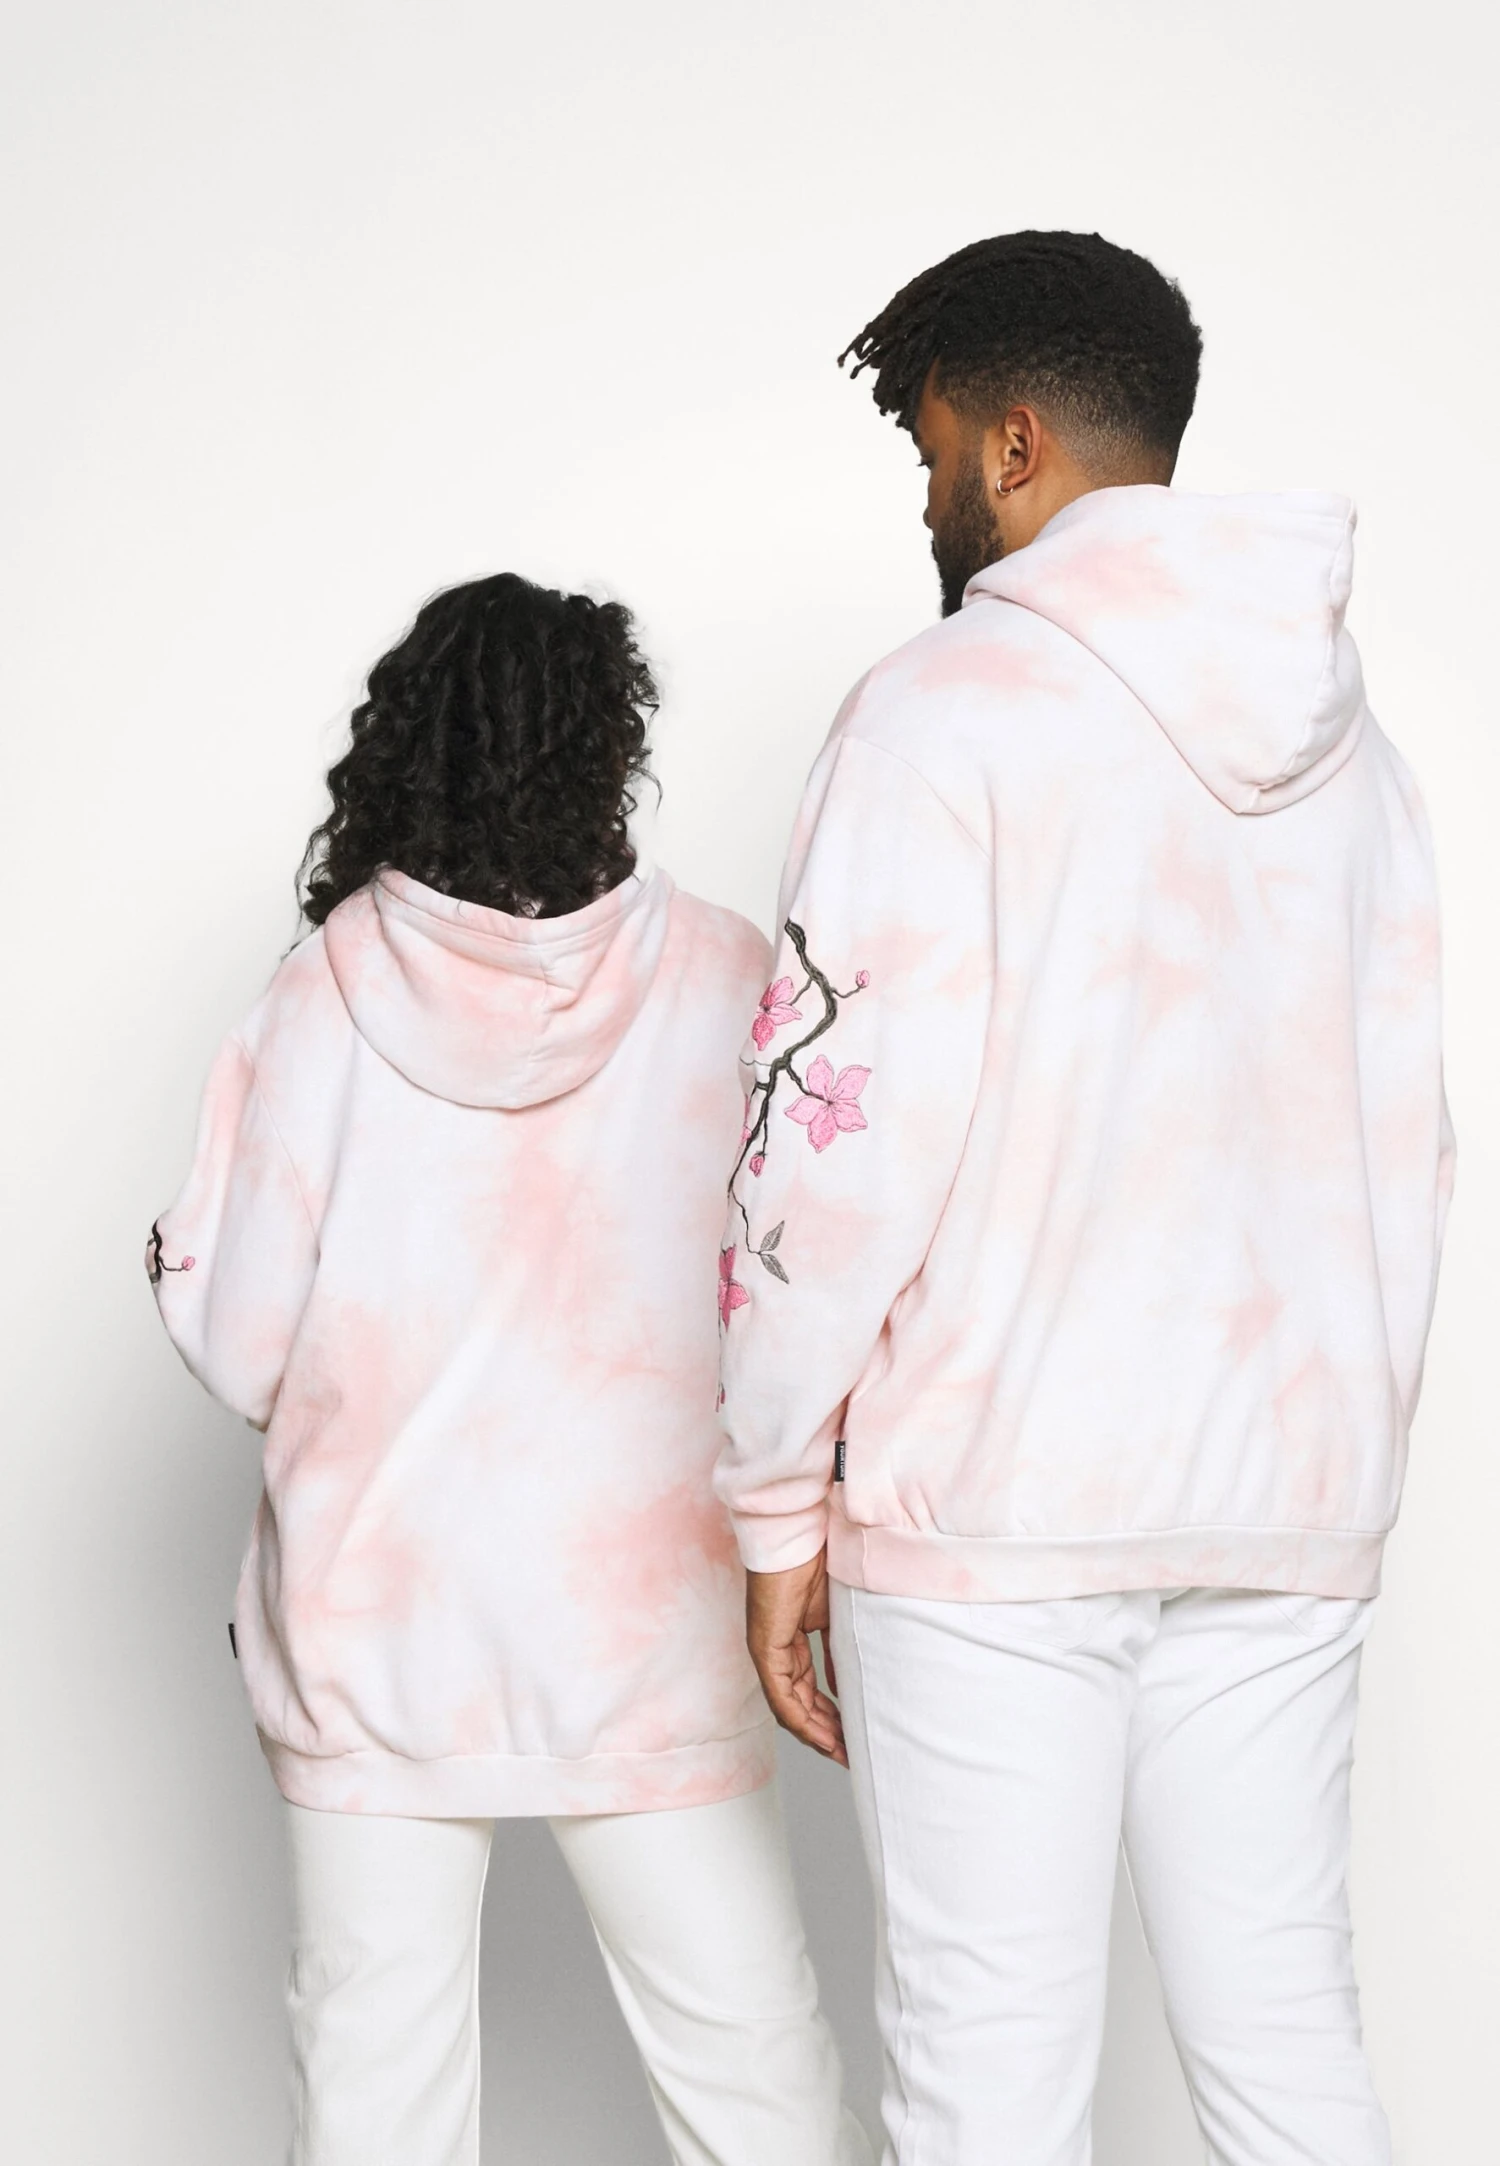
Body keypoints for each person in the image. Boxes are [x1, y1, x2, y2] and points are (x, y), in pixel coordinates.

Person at [715, 231, 1453, 2165]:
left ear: (1017, 441)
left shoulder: (936, 712)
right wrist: (1343, 1455)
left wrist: (774, 1493)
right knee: (1292, 2064)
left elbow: (833, 1148)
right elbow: (1410, 1138)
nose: (932, 500)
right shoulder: (1360, 755)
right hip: (1283, 1498)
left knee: (987, 2098)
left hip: (1000, 1502)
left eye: (935, 450)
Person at [148, 573, 871, 2166]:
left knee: (376, 2096)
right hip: (649, 1625)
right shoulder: (729, 975)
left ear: (408, 750)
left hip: (378, 1624)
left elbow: (240, 1339)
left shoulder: (322, 995)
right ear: (612, 745)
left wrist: (173, 1262)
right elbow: (811, 1281)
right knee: (758, 2084)